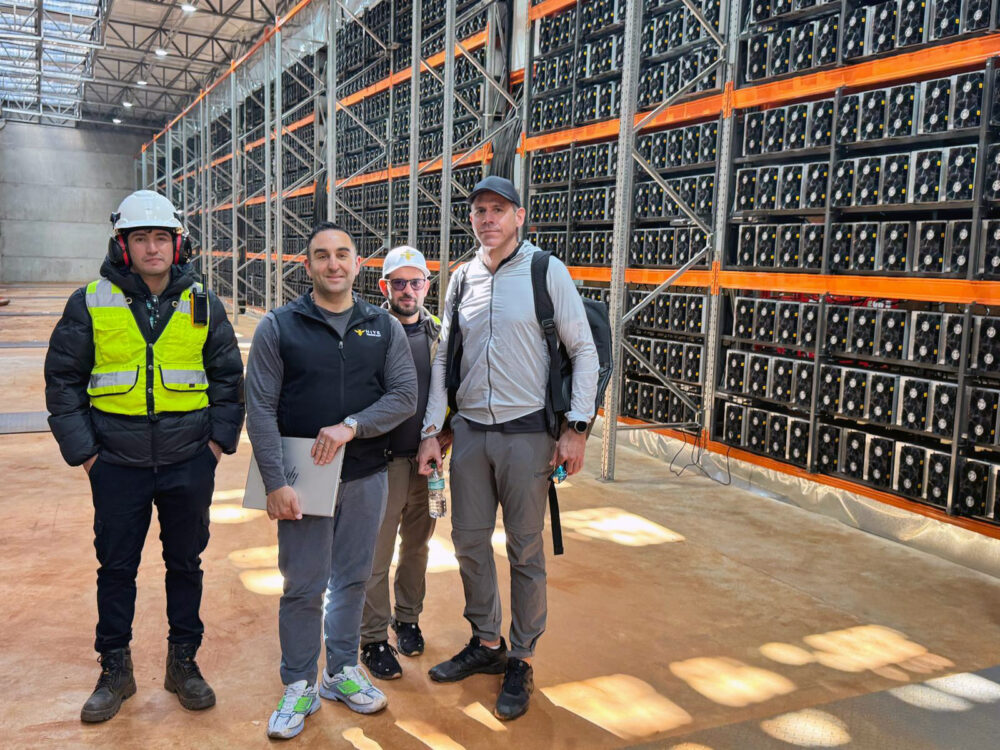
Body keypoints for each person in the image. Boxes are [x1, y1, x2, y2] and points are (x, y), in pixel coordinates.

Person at [44, 190, 245, 723]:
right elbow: (62, 381)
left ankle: (184, 663)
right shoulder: (90, 301)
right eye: (140, 238)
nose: (152, 248)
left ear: (177, 244)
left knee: (185, 563)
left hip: (188, 460)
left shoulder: (203, 302)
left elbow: (228, 379)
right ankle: (115, 669)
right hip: (116, 463)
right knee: (116, 568)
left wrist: (215, 447)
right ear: (123, 244)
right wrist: (87, 456)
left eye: (161, 237)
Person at [417, 176, 599, 721]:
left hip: (528, 436)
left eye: (498, 209)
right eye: (479, 211)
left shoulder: (545, 271)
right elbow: (445, 359)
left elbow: (583, 351)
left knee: (524, 548)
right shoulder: (461, 279)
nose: (487, 219)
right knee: (469, 542)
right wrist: (432, 429)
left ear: (519, 216)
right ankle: (487, 642)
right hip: (471, 433)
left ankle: (521, 656)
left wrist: (577, 428)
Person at [245, 222, 418, 740]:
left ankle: (340, 671)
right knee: (303, 584)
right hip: (305, 478)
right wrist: (275, 482)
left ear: (359, 264)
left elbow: (404, 396)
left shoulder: (382, 327)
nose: (333, 264)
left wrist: (352, 426)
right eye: (322, 255)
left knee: (353, 578)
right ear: (308, 266)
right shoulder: (280, 326)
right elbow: (260, 408)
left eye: (343, 254)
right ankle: (299, 682)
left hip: (367, 474)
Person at [359, 245, 448, 680]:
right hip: (383, 462)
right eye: (399, 283)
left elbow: (454, 391)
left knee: (417, 547)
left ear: (427, 286)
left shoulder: (440, 335)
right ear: (385, 287)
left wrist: (445, 436)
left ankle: (407, 618)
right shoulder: (367, 332)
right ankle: (373, 637)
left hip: (427, 463)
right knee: (375, 553)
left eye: (416, 282)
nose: (408, 290)